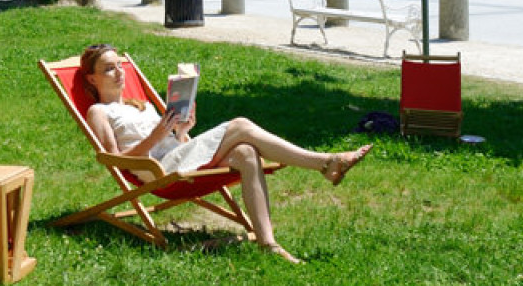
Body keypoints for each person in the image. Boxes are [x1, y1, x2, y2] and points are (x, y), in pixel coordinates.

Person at [77, 44, 372, 264]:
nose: (119, 73)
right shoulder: (98, 112)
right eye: (109, 69)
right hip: (161, 171)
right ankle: (325, 162)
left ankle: (268, 244)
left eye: (119, 65)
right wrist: (156, 136)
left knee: (245, 151)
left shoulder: (138, 105)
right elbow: (114, 159)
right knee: (241, 125)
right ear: (91, 79)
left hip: (178, 154)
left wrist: (182, 130)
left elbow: (171, 141)